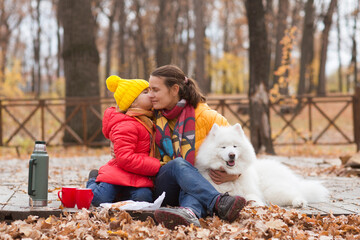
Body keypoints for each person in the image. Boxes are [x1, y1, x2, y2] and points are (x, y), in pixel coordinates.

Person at [148, 65, 247, 229]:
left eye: (155, 90)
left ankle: (189, 213)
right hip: (164, 184)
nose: (150, 95)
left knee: (196, 179)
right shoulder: (150, 115)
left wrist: (235, 174)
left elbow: (238, 147)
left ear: (174, 89)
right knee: (179, 164)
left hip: (195, 186)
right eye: (149, 90)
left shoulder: (209, 117)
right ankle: (219, 202)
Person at [86, 75, 161, 207]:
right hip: (118, 172)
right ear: (132, 102)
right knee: (99, 199)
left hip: (138, 174)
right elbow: (125, 158)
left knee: (144, 198)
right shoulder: (126, 125)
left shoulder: (148, 119)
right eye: (145, 92)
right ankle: (93, 180)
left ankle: (121, 195)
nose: (150, 95)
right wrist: (157, 166)